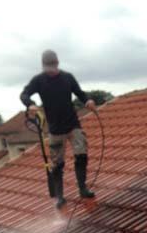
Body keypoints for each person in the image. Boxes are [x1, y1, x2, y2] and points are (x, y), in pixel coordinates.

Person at [20, 50, 96, 208]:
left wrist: (88, 100)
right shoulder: (38, 80)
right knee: (57, 164)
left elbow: (80, 93)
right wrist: (30, 104)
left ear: (57, 63)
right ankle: (60, 197)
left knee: (81, 155)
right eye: (48, 66)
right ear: (43, 66)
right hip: (55, 129)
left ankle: (83, 188)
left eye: (53, 65)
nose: (51, 69)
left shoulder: (68, 78)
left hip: (72, 124)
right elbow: (24, 94)